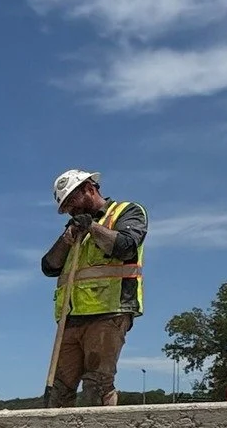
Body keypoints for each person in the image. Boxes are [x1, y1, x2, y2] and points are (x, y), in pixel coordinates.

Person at [39, 169, 148, 407]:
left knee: (96, 387)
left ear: (89, 188)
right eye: (65, 206)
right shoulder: (74, 230)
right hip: (71, 317)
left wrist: (92, 228)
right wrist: (67, 238)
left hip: (108, 312)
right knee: (58, 389)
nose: (70, 210)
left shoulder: (126, 212)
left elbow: (125, 246)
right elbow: (49, 266)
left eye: (72, 202)